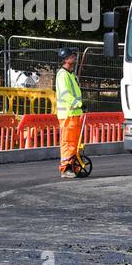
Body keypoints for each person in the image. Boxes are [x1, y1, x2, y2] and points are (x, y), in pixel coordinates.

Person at [56, 47, 85, 177]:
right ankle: (66, 168)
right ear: (66, 60)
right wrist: (79, 104)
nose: (74, 57)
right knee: (68, 142)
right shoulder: (63, 75)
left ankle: (73, 166)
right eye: (71, 56)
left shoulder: (70, 74)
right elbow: (65, 95)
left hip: (74, 114)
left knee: (74, 143)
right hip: (68, 114)